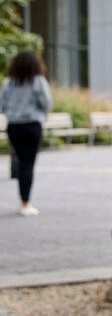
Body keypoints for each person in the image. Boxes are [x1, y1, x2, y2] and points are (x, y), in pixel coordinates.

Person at [1, 50, 52, 216]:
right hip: (32, 125)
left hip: (14, 126)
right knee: (28, 163)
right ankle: (25, 202)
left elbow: (2, 105)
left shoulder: (8, 82)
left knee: (21, 160)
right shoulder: (38, 81)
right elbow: (47, 103)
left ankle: (23, 199)